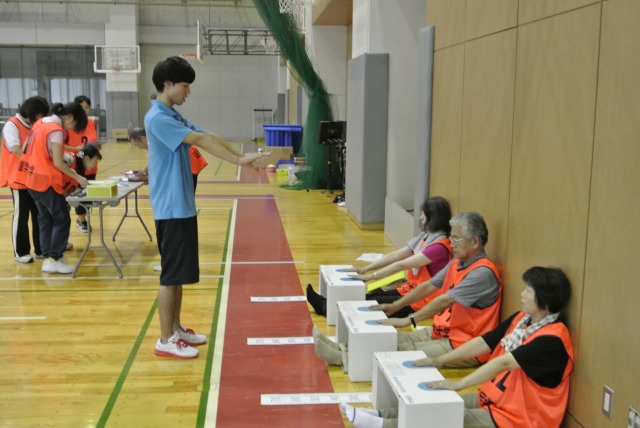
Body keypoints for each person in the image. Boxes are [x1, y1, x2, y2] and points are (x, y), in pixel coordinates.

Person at [341, 266, 574, 428]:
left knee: (444, 417)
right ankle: (380, 416)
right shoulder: (522, 319)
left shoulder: (552, 341)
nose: (522, 294)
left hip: (518, 420)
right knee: (434, 401)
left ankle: (380, 425)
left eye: (529, 291)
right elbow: (485, 342)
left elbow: (504, 361)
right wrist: (440, 361)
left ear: (544, 300)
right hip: (496, 400)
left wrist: (460, 383)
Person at [146, 56, 265, 359]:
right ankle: (164, 339)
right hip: (170, 207)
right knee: (170, 276)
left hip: (182, 205)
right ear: (168, 84)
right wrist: (238, 161)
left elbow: (207, 135)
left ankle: (175, 329)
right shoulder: (158, 118)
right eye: (185, 86)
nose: (188, 92)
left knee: (180, 273)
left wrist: (241, 154)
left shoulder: (172, 115)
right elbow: (198, 139)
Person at [314, 212, 502, 369]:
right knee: (391, 338)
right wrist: (396, 306)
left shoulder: (482, 273)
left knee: (399, 352)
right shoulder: (457, 262)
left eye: (456, 238)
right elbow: (429, 285)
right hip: (444, 331)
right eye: (451, 237)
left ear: (475, 242)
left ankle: (343, 358)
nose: (451, 242)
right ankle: (341, 347)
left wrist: (408, 319)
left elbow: (445, 300)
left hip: (464, 344)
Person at [306, 196, 453, 318]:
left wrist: (371, 277)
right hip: (410, 290)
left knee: (369, 304)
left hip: (422, 301)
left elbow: (401, 265)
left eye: (423, 214)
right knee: (369, 295)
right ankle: (326, 303)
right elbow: (395, 255)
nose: (420, 217)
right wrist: (365, 269)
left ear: (433, 217)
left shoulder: (439, 247)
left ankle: (325, 307)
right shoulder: (426, 236)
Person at [15, 102, 89, 274]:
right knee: (62, 218)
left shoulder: (41, 123)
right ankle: (54, 258)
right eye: (73, 126)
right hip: (45, 180)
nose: (70, 130)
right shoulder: (55, 130)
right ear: (69, 117)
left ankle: (48, 256)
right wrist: (77, 177)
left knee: (45, 218)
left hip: (31, 178)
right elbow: (57, 162)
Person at [1, 96, 49, 263]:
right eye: (40, 115)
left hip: (34, 178)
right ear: (31, 113)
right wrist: (37, 160)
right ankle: (20, 252)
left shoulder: (35, 125)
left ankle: (41, 248)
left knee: (39, 214)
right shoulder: (12, 125)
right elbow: (16, 149)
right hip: (18, 179)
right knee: (21, 216)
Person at [129, 127, 217, 192]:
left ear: (143, 139)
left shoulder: (155, 142)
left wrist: (145, 173)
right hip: (184, 162)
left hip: (189, 163)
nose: (138, 148)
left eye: (137, 145)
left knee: (186, 196)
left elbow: (160, 161)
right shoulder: (153, 140)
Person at [66, 95, 100, 233]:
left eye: (87, 107)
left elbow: (93, 141)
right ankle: (82, 220)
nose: (84, 110)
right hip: (75, 165)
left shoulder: (91, 123)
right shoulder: (68, 125)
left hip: (91, 165)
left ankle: (83, 218)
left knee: (88, 194)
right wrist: (77, 150)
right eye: (81, 107)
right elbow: (62, 145)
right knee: (78, 193)